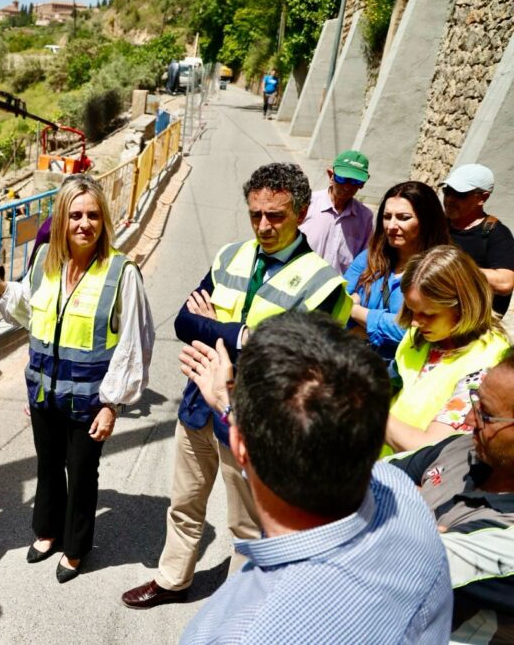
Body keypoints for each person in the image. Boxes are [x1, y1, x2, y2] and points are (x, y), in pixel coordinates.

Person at [121, 162, 352, 610]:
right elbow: (185, 322)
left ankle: (235, 606)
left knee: (246, 524)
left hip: (254, 419)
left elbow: (291, 360)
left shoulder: (323, 283)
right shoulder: (231, 256)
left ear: (302, 213)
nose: (263, 226)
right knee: (184, 503)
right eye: (255, 214)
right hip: (196, 406)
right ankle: (172, 580)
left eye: (276, 216)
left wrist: (221, 329)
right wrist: (242, 336)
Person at [178, 312, 452, 644]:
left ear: (239, 446)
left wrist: (232, 412)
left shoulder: (232, 631)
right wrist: (232, 413)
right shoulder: (405, 498)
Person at [0, 174, 154, 583]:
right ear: (62, 219)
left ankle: (76, 548)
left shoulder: (121, 272)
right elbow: (30, 312)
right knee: (48, 465)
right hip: (45, 393)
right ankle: (47, 531)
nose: (85, 224)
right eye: (76, 215)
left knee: (81, 473)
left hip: (90, 400)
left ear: (104, 221)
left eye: (94, 215)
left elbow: (136, 342)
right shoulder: (47, 261)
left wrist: (112, 404)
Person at [390, 352, 514, 643]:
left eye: (485, 413)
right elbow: (352, 480)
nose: (469, 419)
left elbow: (400, 560)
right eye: (475, 400)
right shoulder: (463, 448)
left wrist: (397, 506)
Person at [385, 245, 510, 455]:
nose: (415, 322)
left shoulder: (487, 362)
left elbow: (430, 448)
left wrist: (367, 405)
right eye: (411, 310)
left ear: (463, 306)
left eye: (428, 314)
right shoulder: (422, 336)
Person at [345, 180, 450, 361]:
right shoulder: (369, 257)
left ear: (426, 221)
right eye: (387, 216)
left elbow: (415, 332)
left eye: (403, 218)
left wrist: (356, 312)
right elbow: (336, 302)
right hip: (352, 361)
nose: (391, 226)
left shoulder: (440, 270)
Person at [442, 163, 514, 316]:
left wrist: (451, 270)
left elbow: (505, 282)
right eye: (447, 191)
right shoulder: (438, 225)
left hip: (474, 323)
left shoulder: (496, 234)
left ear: (482, 198)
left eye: (460, 194)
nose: (449, 199)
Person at [299, 149, 374, 274]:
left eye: (356, 182)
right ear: (331, 175)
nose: (347, 187)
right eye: (343, 179)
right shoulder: (307, 203)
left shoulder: (365, 218)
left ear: (363, 183)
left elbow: (363, 263)